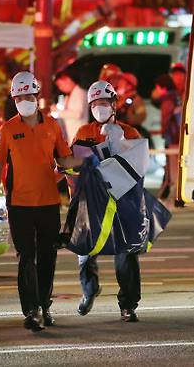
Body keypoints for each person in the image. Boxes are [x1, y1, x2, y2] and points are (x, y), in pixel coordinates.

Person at [0, 71, 84, 331]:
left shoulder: (52, 126)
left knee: (47, 256)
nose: (25, 99)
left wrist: (88, 161)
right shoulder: (7, 129)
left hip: (48, 203)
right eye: (20, 96)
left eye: (29, 95)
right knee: (26, 257)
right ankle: (30, 311)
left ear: (37, 96)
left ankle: (44, 305)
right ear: (14, 99)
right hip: (18, 204)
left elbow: (64, 161)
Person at [72, 80, 143, 323]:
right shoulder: (83, 133)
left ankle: (128, 305)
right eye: (95, 104)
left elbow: (139, 169)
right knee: (84, 251)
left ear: (114, 105)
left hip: (121, 202)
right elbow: (74, 166)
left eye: (104, 103)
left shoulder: (130, 133)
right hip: (92, 202)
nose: (99, 108)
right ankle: (89, 290)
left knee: (125, 254)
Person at [152, 74, 181, 202]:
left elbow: (166, 119)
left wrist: (164, 131)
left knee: (173, 168)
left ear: (162, 87)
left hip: (173, 137)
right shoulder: (177, 97)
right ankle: (174, 192)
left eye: (157, 87)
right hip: (179, 136)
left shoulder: (167, 100)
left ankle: (174, 194)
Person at [54, 69, 89, 142]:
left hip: (79, 134)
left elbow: (77, 114)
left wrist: (57, 113)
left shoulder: (79, 93)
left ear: (68, 80)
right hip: (73, 134)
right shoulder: (71, 95)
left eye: (60, 85)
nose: (60, 88)